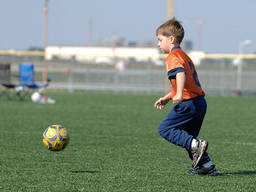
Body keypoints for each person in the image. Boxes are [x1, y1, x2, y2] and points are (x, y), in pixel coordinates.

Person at [154, 18, 218, 176]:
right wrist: (168, 97)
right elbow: (185, 81)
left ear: (171, 39)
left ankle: (197, 145)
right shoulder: (184, 55)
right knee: (188, 138)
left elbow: (180, 74)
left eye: (160, 40)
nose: (158, 44)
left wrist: (180, 94)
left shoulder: (173, 56)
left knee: (166, 129)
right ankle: (207, 166)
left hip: (188, 103)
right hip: (199, 103)